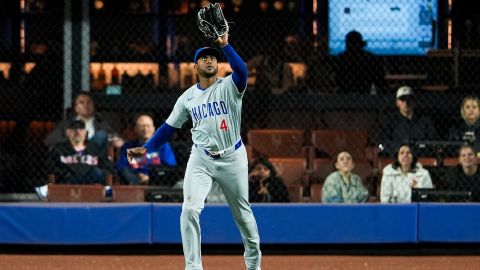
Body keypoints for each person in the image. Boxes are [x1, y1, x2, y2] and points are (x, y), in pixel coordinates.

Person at [126, 33, 262, 270]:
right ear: (196, 66)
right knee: (189, 209)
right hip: (201, 158)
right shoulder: (187, 97)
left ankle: (253, 265)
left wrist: (225, 45)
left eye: (213, 57)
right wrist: (146, 148)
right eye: (204, 58)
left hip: (233, 157)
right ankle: (193, 267)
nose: (209, 60)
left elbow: (243, 72)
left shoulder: (229, 86)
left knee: (243, 215)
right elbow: (168, 128)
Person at [45, 91, 124, 152]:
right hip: (73, 160)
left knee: (102, 135)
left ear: (93, 106)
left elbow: (119, 141)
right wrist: (69, 137)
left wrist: (114, 139)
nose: (86, 105)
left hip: (94, 161)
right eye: (81, 103)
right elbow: (49, 141)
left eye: (89, 102)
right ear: (76, 108)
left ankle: (136, 166)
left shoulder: (101, 123)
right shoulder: (67, 124)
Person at [47, 120, 114, 185]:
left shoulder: (94, 148)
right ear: (68, 132)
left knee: (98, 172)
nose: (77, 132)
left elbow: (107, 167)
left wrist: (108, 187)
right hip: (68, 180)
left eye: (81, 129)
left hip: (90, 181)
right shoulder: (60, 149)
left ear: (86, 133)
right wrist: (52, 186)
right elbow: (51, 168)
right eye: (74, 129)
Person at [116, 114, 177, 185]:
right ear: (136, 129)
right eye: (142, 126)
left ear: (154, 128)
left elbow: (170, 166)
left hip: (157, 181)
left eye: (148, 126)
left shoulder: (163, 146)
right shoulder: (128, 146)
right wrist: (139, 175)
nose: (145, 129)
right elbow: (121, 166)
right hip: (135, 180)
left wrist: (151, 177)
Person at [378, 86, 438, 157]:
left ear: (414, 102)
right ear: (397, 103)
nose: (406, 102)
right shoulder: (390, 122)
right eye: (402, 99)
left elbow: (432, 141)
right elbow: (385, 143)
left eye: (409, 99)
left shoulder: (425, 121)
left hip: (421, 158)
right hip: (397, 159)